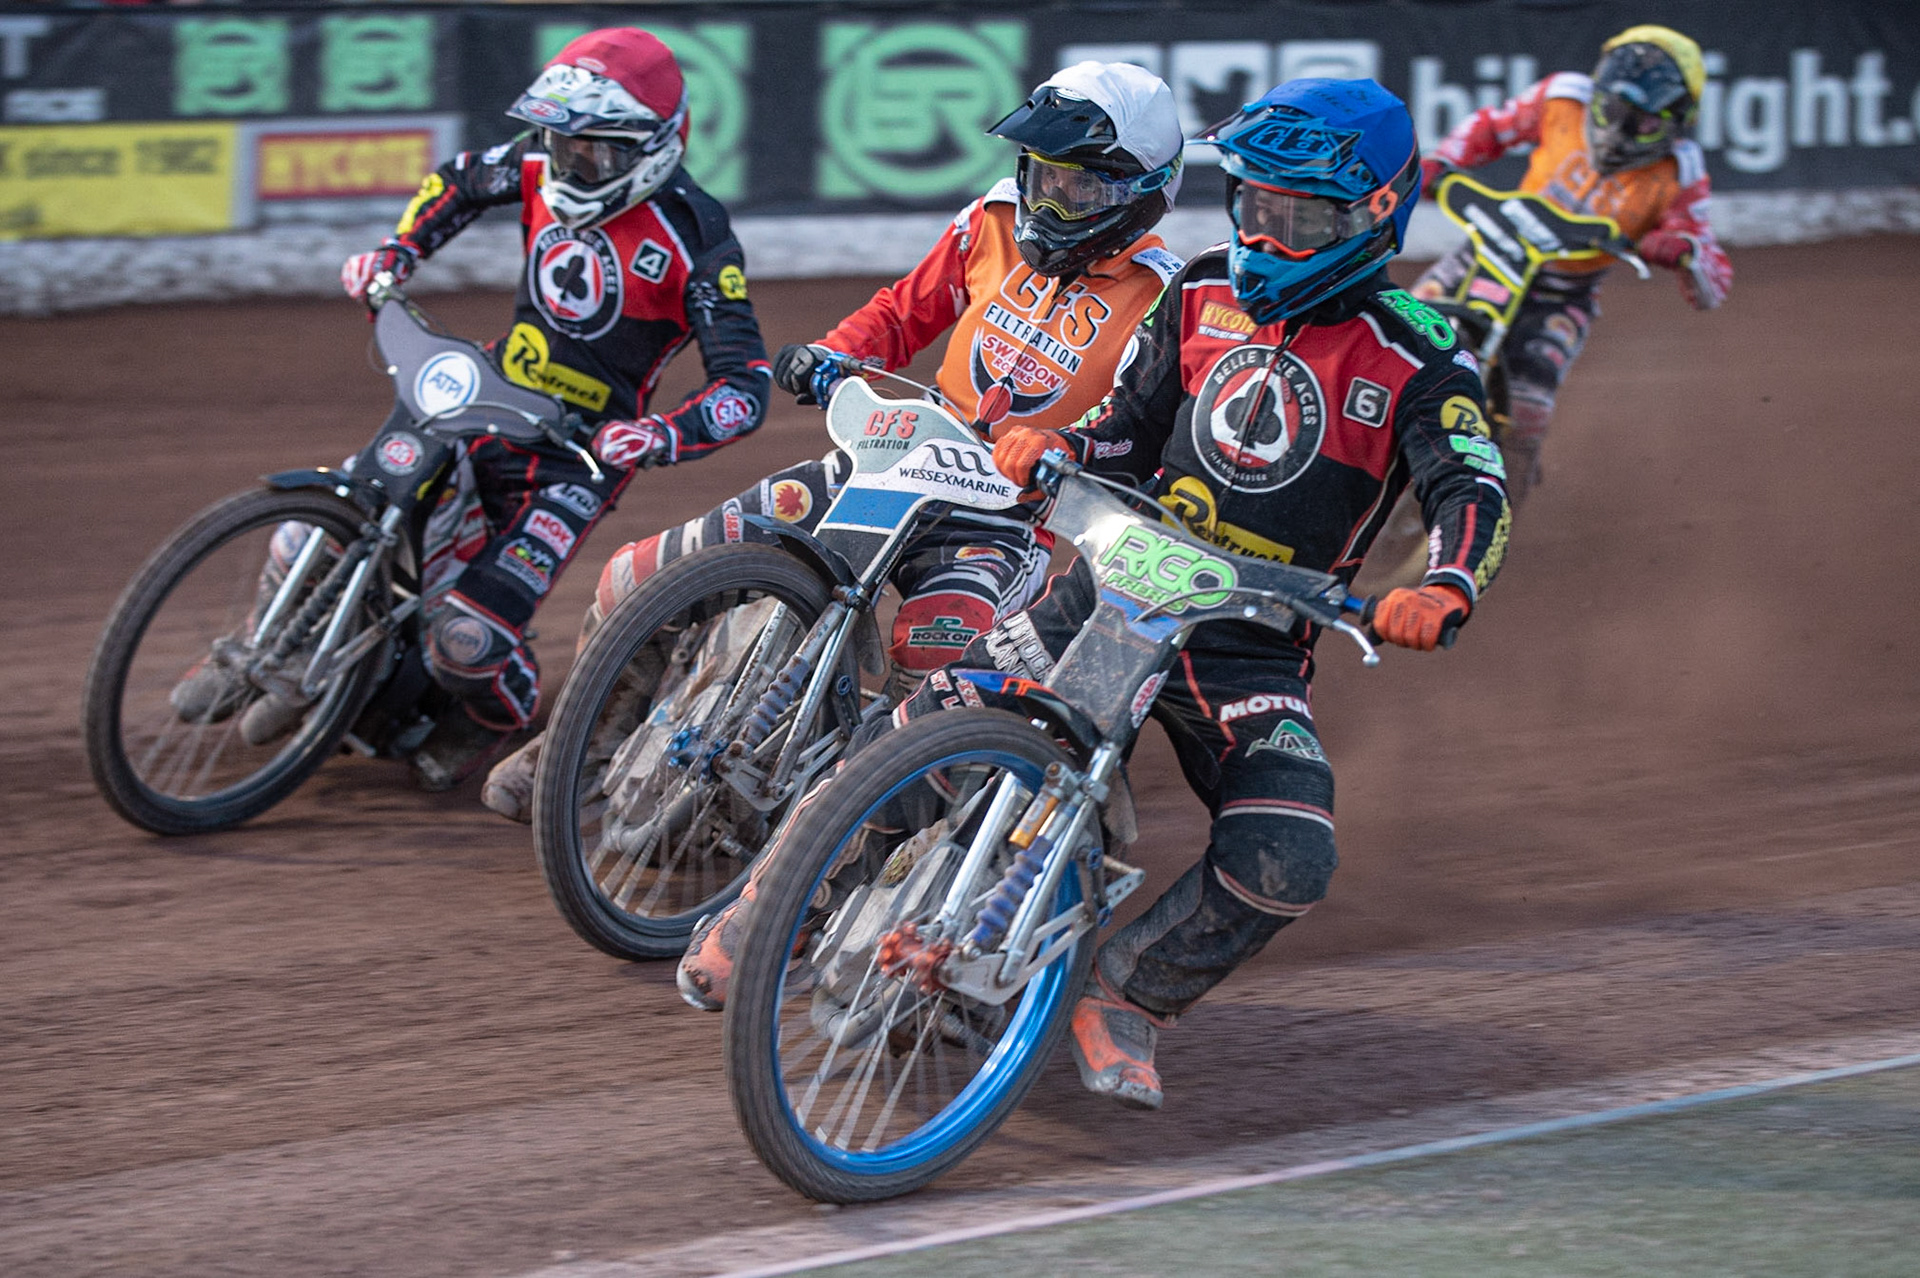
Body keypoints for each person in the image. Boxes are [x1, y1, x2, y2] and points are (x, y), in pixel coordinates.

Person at [860, 78, 1510, 1110]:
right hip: (1117, 588)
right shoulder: (1200, 289)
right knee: (913, 726)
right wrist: (1058, 446)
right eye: (1258, 206)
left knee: (1289, 849)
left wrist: (1443, 583)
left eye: (1307, 217)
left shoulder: (1426, 358)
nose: (1274, 234)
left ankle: (1125, 997)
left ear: (1381, 212)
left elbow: (1471, 485)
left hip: (1249, 644)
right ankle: (790, 896)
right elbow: (1125, 425)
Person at [480, 62, 1188, 851]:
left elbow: (1132, 425)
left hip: (1004, 520)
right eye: (1041, 176)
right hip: (892, 458)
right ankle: (582, 747)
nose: (1049, 202)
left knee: (936, 661)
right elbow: (901, 311)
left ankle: (859, 856)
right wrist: (831, 353)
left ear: (1142, 192)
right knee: (635, 577)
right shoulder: (989, 220)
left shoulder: (1165, 299)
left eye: (1080, 190)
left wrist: (1060, 448)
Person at [173, 28, 772, 789]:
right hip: (482, 398)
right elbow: (456, 180)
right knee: (310, 529)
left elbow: (744, 384)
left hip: (578, 457)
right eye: (559, 144)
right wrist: (397, 252)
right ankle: (265, 645)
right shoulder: (533, 167)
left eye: (593, 152)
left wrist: (660, 434)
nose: (569, 164)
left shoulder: (698, 237)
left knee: (467, 638)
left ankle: (496, 718)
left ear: (650, 146)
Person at [1412, 24, 1731, 505]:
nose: (1623, 131)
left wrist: (1682, 249)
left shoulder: (1680, 171)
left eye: (1644, 122)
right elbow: (1492, 127)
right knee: (1397, 335)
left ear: (1677, 119)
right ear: (1598, 92)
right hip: (1490, 254)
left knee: (1526, 409)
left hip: (1565, 294)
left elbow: (1715, 281)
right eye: (1616, 112)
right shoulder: (1563, 98)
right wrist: (1442, 162)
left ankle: (1502, 498)